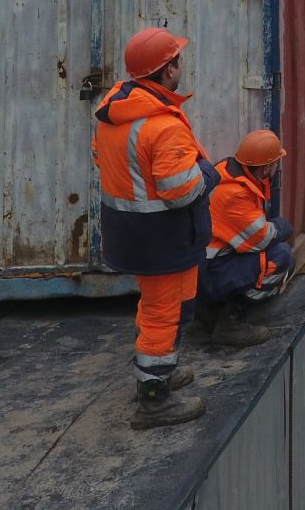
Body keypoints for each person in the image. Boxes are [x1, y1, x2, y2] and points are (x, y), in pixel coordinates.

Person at [93, 27, 220, 429]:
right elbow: (180, 191)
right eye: (177, 60)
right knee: (163, 313)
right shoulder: (161, 125)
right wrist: (209, 175)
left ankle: (158, 373)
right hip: (162, 234)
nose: (181, 66)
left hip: (137, 232)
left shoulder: (116, 113)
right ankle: (153, 399)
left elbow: (106, 161)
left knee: (167, 307)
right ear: (168, 70)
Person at [200, 130, 295, 340]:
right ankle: (230, 321)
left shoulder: (228, 172)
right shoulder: (236, 194)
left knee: (269, 254)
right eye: (275, 163)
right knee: (281, 257)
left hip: (202, 268)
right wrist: (283, 226)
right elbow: (262, 238)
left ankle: (211, 311)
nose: (277, 167)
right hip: (208, 273)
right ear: (265, 168)